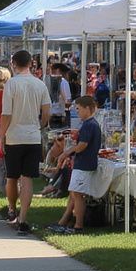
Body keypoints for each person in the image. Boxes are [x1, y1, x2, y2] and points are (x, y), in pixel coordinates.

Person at [0, 49, 51, 233]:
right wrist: (40, 124)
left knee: (12, 176)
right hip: (32, 135)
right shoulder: (40, 85)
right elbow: (46, 111)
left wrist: (1, 136)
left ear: (14, 64)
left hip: (14, 136)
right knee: (27, 178)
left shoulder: (11, 84)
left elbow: (6, 114)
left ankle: (12, 209)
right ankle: (23, 218)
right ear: (31, 63)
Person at [54, 95, 102, 233]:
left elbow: (82, 145)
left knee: (78, 194)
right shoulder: (91, 124)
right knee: (74, 193)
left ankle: (78, 225)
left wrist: (67, 152)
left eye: (79, 109)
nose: (78, 112)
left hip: (84, 164)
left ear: (87, 109)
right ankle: (67, 221)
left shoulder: (89, 125)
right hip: (83, 163)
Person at [46, 61, 72, 129]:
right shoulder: (63, 82)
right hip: (60, 116)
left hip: (51, 115)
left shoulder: (47, 81)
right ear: (58, 71)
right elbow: (67, 101)